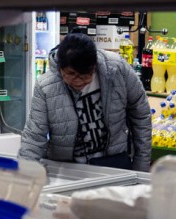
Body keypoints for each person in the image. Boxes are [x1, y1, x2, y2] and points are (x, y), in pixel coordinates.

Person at [18, 32, 152, 171]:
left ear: (94, 66)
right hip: (69, 170)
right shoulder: (46, 86)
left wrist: (141, 167)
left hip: (115, 164)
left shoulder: (116, 69)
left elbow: (141, 115)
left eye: (85, 75)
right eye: (71, 74)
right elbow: (34, 137)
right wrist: (24, 175)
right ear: (60, 68)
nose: (78, 80)